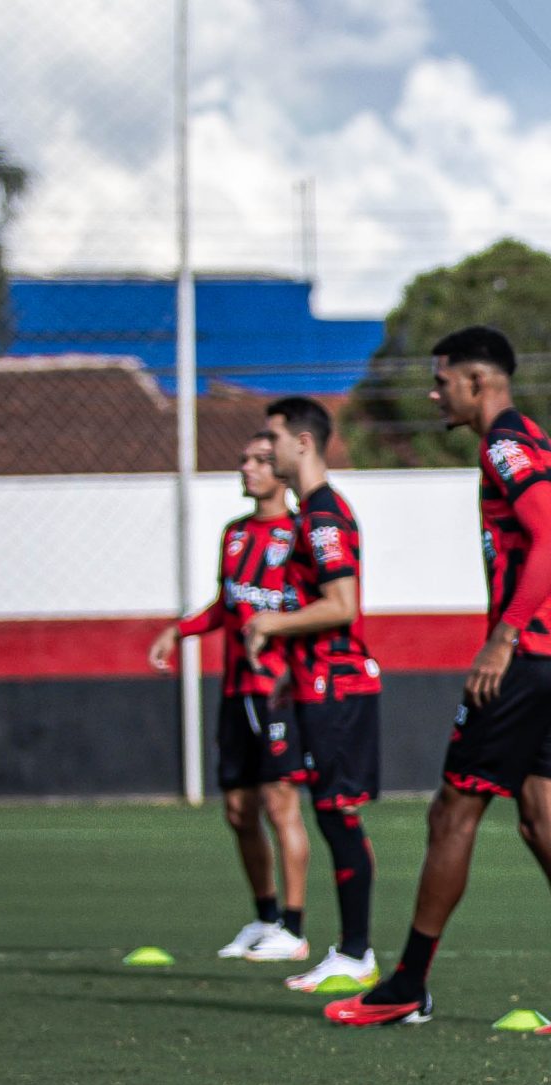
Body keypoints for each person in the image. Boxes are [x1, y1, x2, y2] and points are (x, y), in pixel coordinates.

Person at [323, 326, 551, 1034]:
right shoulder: (544, 442)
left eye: (442, 381)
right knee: (542, 820)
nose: (434, 394)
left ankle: (404, 985)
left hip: (530, 656)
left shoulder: (503, 444)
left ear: (477, 381)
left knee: (451, 812)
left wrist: (502, 639)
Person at [147, 434, 311, 962]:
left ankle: (294, 926)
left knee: (279, 804)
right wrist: (180, 630)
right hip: (235, 691)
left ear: (282, 471)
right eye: (244, 459)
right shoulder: (235, 535)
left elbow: (319, 609)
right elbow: (226, 605)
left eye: (259, 460)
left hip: (278, 694)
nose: (246, 468)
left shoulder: (300, 535)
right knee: (239, 811)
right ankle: (264, 918)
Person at [245, 397, 383, 994]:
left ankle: (356, 952)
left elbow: (343, 604)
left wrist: (268, 625)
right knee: (329, 817)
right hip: (313, 685)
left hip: (340, 689)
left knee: (338, 816)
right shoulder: (309, 513)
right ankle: (350, 949)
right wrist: (286, 674)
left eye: (272, 438)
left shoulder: (324, 514)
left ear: (302, 442)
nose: (265, 449)